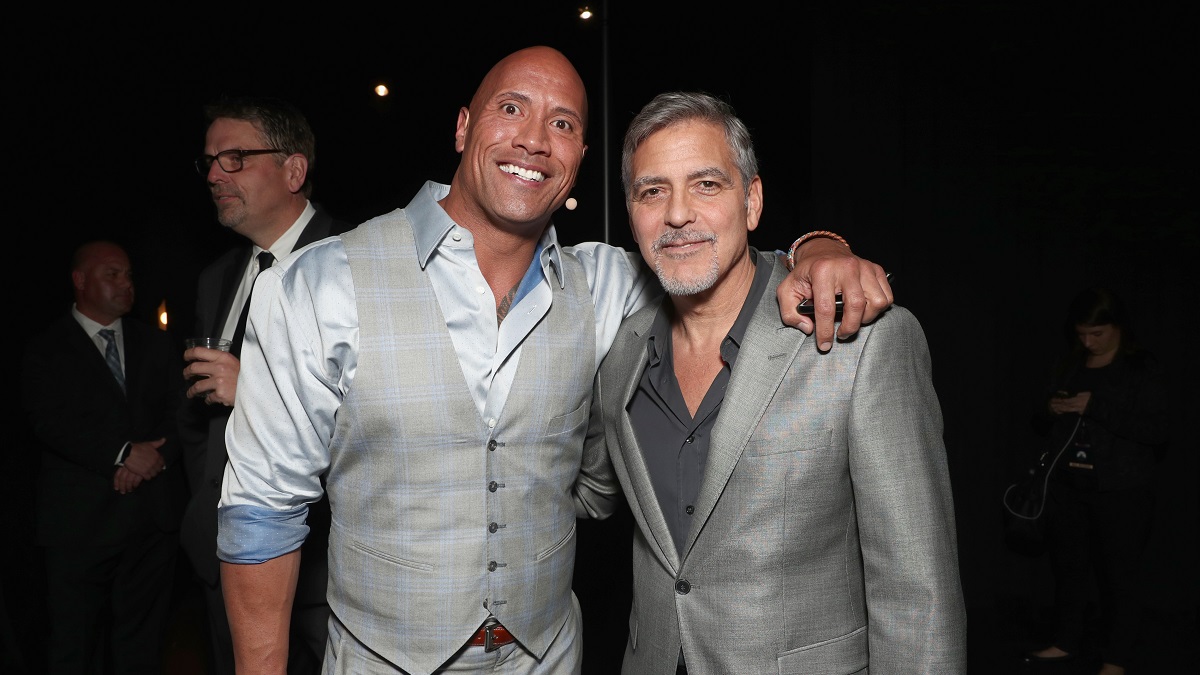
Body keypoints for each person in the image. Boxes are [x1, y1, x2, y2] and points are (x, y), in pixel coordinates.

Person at [218, 46, 894, 675]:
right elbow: (260, 514)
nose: (535, 139)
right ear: (462, 128)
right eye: (511, 108)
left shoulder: (604, 283)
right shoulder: (318, 283)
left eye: (563, 122)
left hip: (548, 656)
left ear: (580, 156)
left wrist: (818, 249)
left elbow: (717, 256)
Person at [578, 90, 967, 674]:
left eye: (706, 185)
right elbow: (590, 492)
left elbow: (917, 590)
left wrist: (817, 244)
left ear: (753, 201)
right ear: (632, 213)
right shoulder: (620, 356)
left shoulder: (858, 342)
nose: (677, 213)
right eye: (652, 191)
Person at [178, 96, 355, 675]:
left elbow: (381, 414)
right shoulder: (216, 278)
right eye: (207, 162)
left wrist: (254, 386)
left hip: (329, 569)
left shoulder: (355, 263)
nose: (213, 176)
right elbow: (198, 419)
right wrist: (204, 520)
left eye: (234, 158)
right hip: (222, 562)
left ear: (294, 170)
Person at [21, 240, 187, 674]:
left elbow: (185, 414)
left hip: (152, 522)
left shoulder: (156, 343)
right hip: (79, 525)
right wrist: (122, 454)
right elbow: (49, 421)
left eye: (129, 274)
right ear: (79, 281)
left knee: (143, 644)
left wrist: (154, 459)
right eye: (112, 274)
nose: (126, 283)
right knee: (73, 645)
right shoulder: (45, 348)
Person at [1021, 287, 1168, 675]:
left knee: (1119, 577)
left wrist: (1095, 406)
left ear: (1118, 327)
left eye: (1097, 334)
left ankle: (1116, 659)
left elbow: (1159, 431)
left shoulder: (1140, 368)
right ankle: (1065, 642)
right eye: (1082, 333)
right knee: (1068, 569)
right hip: (1069, 487)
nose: (1088, 341)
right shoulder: (1072, 363)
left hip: (1122, 492)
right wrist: (1051, 408)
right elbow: (1039, 418)